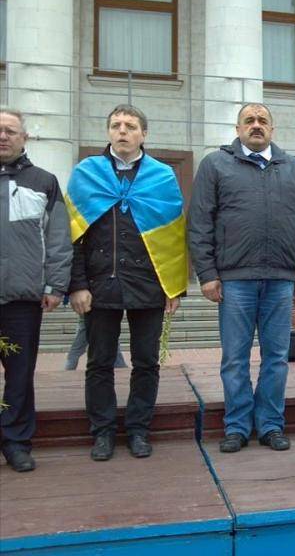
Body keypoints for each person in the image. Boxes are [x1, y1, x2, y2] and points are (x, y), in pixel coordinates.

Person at [188, 103, 295, 453]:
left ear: (272, 129)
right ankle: (237, 426)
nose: (256, 125)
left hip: (280, 279)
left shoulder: (293, 168)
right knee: (235, 358)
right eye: (249, 120)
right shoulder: (216, 165)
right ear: (238, 128)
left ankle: (271, 425)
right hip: (235, 280)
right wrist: (207, 274)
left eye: (262, 121)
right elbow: (199, 222)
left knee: (277, 357)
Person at [67, 104, 187, 461]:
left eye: (130, 126)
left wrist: (173, 288)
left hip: (148, 286)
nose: (122, 131)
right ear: (108, 132)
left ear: (143, 134)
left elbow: (174, 237)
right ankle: (102, 432)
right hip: (98, 286)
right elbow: (72, 237)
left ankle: (138, 430)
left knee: (146, 362)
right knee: (99, 362)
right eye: (116, 125)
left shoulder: (162, 176)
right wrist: (77, 285)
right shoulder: (86, 173)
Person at [0, 107, 72, 472]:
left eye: (11, 131)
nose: (3, 136)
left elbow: (58, 238)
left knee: (19, 375)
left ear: (24, 138)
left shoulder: (44, 181)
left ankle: (15, 442)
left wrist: (56, 285)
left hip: (21, 300)